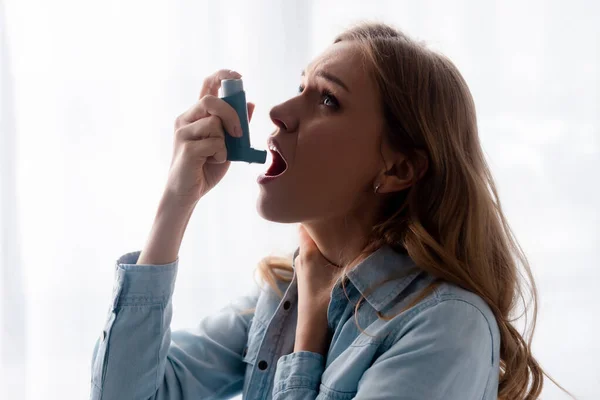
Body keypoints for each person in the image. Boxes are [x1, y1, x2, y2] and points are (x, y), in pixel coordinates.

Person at [90, 22, 554, 400]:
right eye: (299, 87)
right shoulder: (281, 296)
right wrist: (176, 202)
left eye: (327, 100)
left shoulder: (446, 327)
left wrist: (309, 336)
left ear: (399, 168)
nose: (279, 111)